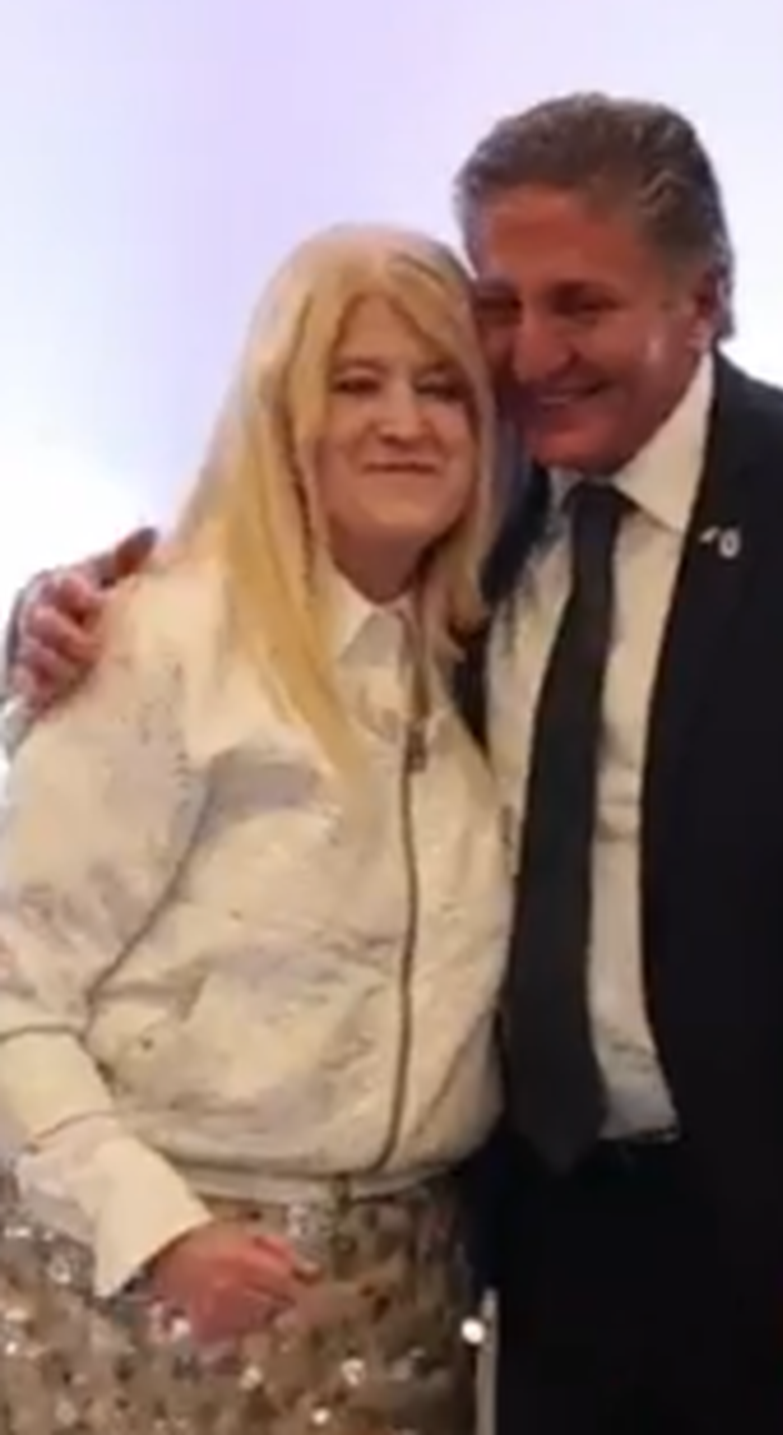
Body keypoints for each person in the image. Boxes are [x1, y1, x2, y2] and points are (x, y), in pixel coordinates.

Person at [8, 93, 783, 1435]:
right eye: (500, 306)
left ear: (705, 299)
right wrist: (57, 618)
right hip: (537, 1254)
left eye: (580, 305)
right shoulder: (474, 515)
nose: (530, 355)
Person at [0, 223, 511, 1435]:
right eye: (357, 383)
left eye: (442, 387)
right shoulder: (160, 644)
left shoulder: (482, 661)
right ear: (282, 413)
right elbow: (13, 986)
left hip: (406, 1293)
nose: (405, 422)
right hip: (149, 1298)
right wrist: (157, 1228)